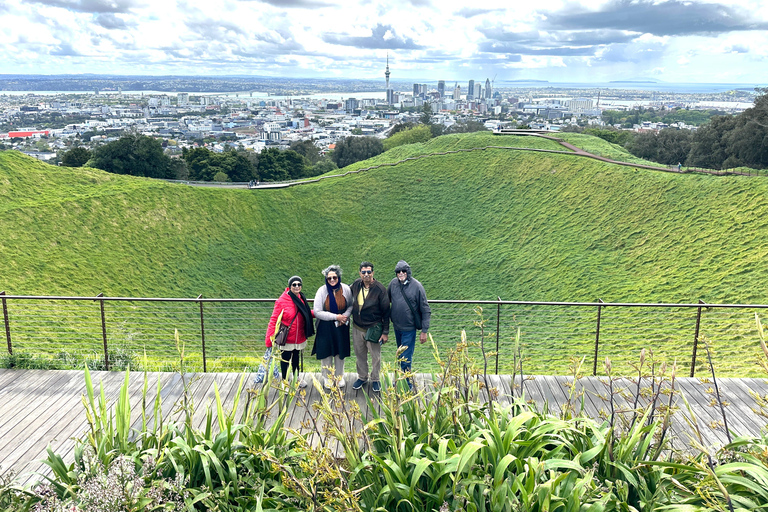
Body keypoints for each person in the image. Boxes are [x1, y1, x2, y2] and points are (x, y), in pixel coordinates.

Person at [387, 260, 431, 389]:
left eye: (403, 271)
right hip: (397, 327)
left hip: (409, 329)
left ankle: (406, 383)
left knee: (405, 357)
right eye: (398, 271)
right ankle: (402, 379)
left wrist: (424, 331)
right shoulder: (393, 284)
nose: (401, 273)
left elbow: (425, 309)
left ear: (408, 272)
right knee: (400, 355)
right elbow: (386, 299)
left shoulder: (417, 286)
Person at [265, 276, 315, 387]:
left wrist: (317, 313)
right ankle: (285, 382)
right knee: (285, 359)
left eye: (299, 284)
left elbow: (305, 312)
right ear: (289, 286)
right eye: (294, 284)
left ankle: (296, 378)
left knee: (296, 358)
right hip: (287, 337)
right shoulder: (282, 301)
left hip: (299, 336)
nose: (297, 286)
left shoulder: (301, 297)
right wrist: (269, 339)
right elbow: (274, 319)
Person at [350, 261, 390, 393]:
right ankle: (362, 377)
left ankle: (375, 379)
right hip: (357, 327)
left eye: (369, 272)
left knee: (375, 356)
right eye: (363, 272)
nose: (366, 274)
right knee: (360, 355)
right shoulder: (356, 285)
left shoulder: (380, 289)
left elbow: (386, 312)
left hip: (373, 329)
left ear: (373, 273)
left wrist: (385, 332)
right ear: (360, 273)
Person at [312, 264, 353, 389]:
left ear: (338, 277)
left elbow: (351, 305)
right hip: (325, 326)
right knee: (327, 352)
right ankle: (327, 377)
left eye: (334, 277)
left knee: (339, 352)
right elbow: (317, 311)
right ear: (326, 279)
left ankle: (340, 376)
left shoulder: (345, 289)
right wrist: (336, 317)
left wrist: (344, 317)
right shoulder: (322, 290)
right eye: (329, 278)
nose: (332, 280)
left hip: (341, 326)